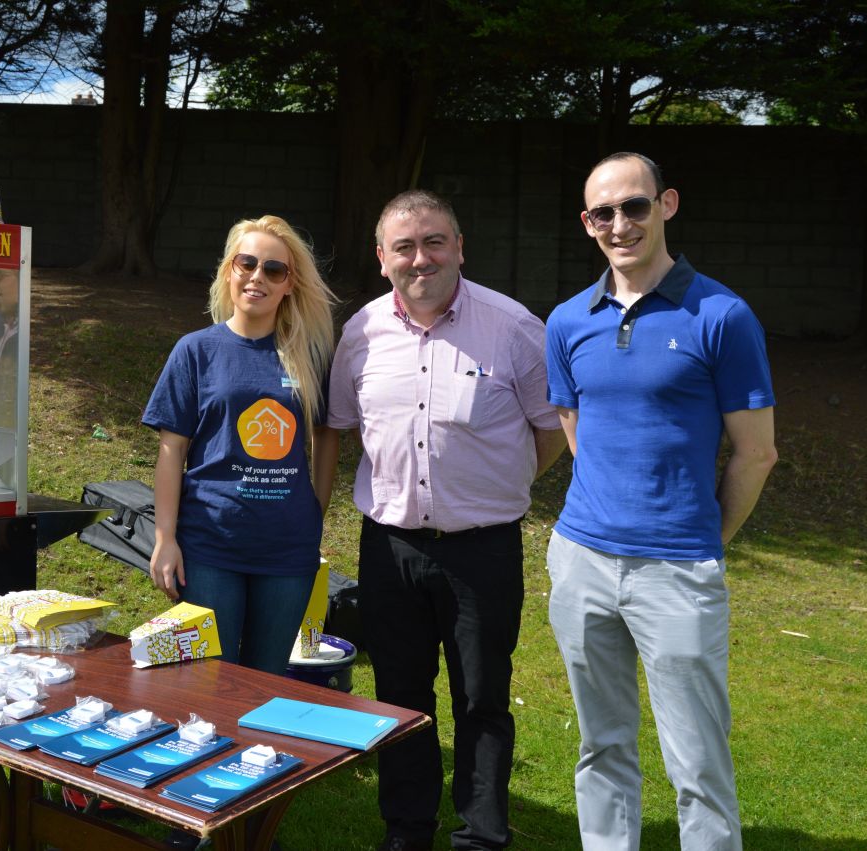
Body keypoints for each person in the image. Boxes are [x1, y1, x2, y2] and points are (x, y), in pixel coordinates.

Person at [314, 190, 566, 851]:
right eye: (404, 246)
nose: (420, 258)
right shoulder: (361, 333)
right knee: (399, 693)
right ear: (381, 258)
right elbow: (339, 427)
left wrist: (502, 483)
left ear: (459, 247)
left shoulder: (514, 329)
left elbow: (554, 429)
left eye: (434, 242)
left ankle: (481, 833)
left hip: (483, 550)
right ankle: (406, 827)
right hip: (389, 547)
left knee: (482, 695)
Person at [544, 152, 778, 850]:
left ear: (667, 204)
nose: (621, 224)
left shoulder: (723, 315)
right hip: (581, 559)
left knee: (698, 760)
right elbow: (575, 428)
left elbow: (756, 451)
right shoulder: (566, 321)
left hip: (677, 570)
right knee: (601, 744)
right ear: (588, 224)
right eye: (603, 213)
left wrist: (702, 535)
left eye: (635, 206)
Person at [143, 215, 337, 677]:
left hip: (288, 550)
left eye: (274, 270)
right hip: (210, 546)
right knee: (211, 680)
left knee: (268, 681)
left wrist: (316, 509)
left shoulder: (310, 356)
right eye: (246, 263)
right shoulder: (195, 350)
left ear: (290, 284)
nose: (258, 277)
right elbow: (172, 451)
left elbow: (326, 435)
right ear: (228, 270)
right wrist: (165, 538)